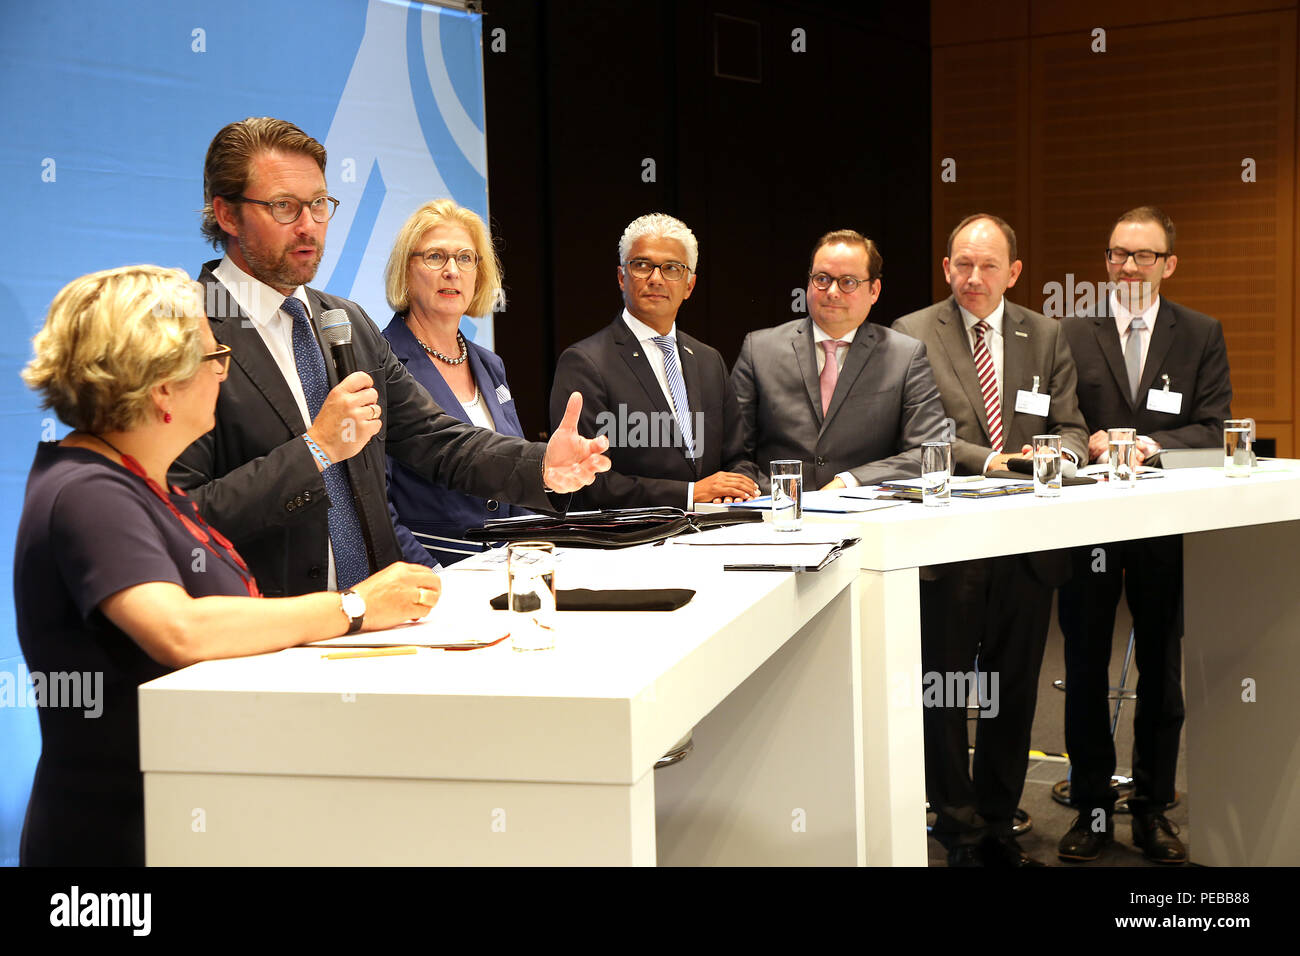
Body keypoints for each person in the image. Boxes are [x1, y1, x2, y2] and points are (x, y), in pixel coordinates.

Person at [15, 265, 442, 866]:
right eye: (214, 353)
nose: (224, 367)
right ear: (162, 386)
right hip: (123, 838)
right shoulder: (89, 492)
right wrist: (355, 606)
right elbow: (180, 629)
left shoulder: (144, 488)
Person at [170, 117, 608, 597]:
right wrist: (314, 450)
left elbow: (435, 439)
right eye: (283, 207)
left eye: (319, 205)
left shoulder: (345, 321)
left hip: (378, 622)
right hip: (267, 628)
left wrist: (541, 464)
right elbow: (182, 515)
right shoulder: (186, 330)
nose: (308, 226)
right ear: (227, 215)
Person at [893, 214, 1089, 867]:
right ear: (947, 267)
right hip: (951, 546)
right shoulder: (912, 334)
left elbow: (1071, 428)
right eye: (962, 265)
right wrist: (1000, 461)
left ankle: (1000, 823)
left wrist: (1053, 453)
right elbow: (922, 437)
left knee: (1015, 687)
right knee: (945, 689)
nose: (973, 278)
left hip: (1030, 548)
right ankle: (956, 827)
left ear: (1014, 272)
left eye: (987, 266)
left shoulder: (1046, 332)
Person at [1056, 206, 1232, 864]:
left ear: (1169, 265)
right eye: (1118, 254)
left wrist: (1151, 444)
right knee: (1083, 668)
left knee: (1162, 669)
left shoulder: (1199, 334)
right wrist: (1089, 439)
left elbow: (1216, 428)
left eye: (1144, 256)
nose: (1129, 267)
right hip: (1089, 529)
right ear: (1106, 261)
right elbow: (1055, 412)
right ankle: (1092, 811)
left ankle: (1153, 809)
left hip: (1164, 527)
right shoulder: (1071, 332)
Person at [548, 212, 758, 509]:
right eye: (642, 266)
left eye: (672, 268)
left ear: (689, 286)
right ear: (622, 277)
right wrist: (689, 494)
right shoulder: (584, 362)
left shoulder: (709, 360)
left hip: (713, 536)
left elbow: (738, 459)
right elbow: (584, 480)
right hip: (631, 543)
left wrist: (736, 486)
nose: (656, 278)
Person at [731, 229, 946, 489]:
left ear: (874, 290)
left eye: (848, 282)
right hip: (776, 514)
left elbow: (930, 452)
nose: (832, 291)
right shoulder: (760, 349)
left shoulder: (905, 355)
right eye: (822, 279)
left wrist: (849, 481)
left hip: (869, 516)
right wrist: (782, 496)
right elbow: (735, 452)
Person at [380, 199, 530, 565]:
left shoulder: (490, 365)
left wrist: (531, 557)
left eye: (465, 258)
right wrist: (437, 582)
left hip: (507, 574)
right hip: (433, 580)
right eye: (435, 257)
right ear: (406, 271)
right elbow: (377, 506)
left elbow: (517, 478)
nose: (452, 271)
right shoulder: (380, 363)